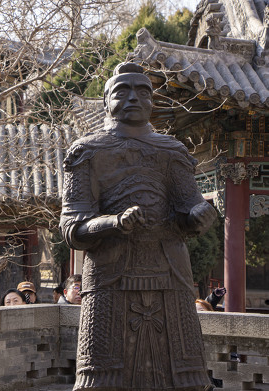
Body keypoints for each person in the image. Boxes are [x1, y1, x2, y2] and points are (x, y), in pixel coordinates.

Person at [60, 63, 215, 390]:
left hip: (170, 273)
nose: (134, 97)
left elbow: (188, 208)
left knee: (185, 378)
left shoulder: (171, 150)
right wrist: (115, 223)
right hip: (109, 275)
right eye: (122, 90)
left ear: (152, 101)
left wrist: (200, 215)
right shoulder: (87, 151)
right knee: (101, 380)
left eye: (143, 91)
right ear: (106, 101)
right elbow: (72, 228)